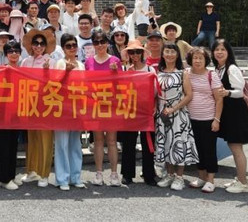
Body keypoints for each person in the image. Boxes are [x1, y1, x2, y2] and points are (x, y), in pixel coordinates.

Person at [211, 39, 248, 193]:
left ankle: (243, 183)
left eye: (223, 49)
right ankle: (240, 178)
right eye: (216, 49)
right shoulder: (218, 68)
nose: (219, 52)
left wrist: (227, 92)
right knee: (232, 145)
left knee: (236, 147)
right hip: (227, 111)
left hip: (235, 112)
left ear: (228, 52)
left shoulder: (232, 68)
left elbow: (239, 92)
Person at [154, 43, 198, 191]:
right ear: (162, 54)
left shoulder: (182, 73)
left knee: (179, 143)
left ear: (177, 54)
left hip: (178, 114)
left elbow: (189, 95)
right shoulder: (158, 72)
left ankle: (179, 177)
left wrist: (174, 108)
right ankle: (170, 174)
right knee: (166, 142)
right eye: (167, 51)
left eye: (173, 52)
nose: (169, 54)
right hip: (162, 115)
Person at [19, 29, 56, 188]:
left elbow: (55, 84)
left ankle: (44, 173)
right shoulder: (26, 61)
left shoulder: (51, 62)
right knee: (32, 139)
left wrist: (47, 73)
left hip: (45, 104)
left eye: (42, 44)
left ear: (46, 46)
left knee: (45, 140)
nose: (39, 46)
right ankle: (31, 170)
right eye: (36, 43)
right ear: (31, 45)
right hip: (30, 104)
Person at [84, 30, 122, 186]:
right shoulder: (88, 62)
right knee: (98, 141)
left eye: (102, 42)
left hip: (111, 105)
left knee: (112, 141)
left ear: (107, 43)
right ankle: (99, 173)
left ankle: (114, 174)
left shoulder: (115, 60)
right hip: (95, 105)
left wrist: (115, 73)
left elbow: (121, 84)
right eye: (96, 42)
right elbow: (86, 84)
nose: (99, 45)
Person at [118, 40, 157, 186]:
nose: (135, 55)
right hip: (129, 110)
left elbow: (155, 90)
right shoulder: (124, 68)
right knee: (128, 143)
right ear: (128, 54)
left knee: (148, 142)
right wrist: (127, 75)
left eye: (138, 52)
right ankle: (127, 174)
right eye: (131, 52)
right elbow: (119, 89)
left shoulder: (150, 70)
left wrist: (154, 106)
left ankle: (149, 174)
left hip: (146, 110)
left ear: (142, 53)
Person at [186, 47, 223, 193]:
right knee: (197, 149)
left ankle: (211, 180)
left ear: (206, 60)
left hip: (208, 118)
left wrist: (216, 119)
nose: (197, 61)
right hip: (191, 118)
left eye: (200, 58)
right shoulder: (186, 73)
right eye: (195, 58)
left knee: (209, 149)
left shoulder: (211, 75)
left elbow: (219, 99)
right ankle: (201, 177)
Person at [53, 34, 86, 191]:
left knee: (75, 144)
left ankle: (75, 176)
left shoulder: (81, 65)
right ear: (63, 48)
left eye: (74, 45)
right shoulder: (60, 63)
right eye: (68, 46)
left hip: (77, 107)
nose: (72, 48)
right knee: (62, 144)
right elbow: (54, 85)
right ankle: (62, 178)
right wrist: (66, 72)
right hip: (62, 108)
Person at [0, 41, 23, 190]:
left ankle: (11, 175)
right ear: (6, 54)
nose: (14, 54)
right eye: (10, 51)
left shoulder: (22, 70)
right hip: (3, 114)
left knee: (13, 145)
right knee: (4, 146)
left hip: (17, 114)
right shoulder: (2, 70)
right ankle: (4, 178)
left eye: (16, 51)